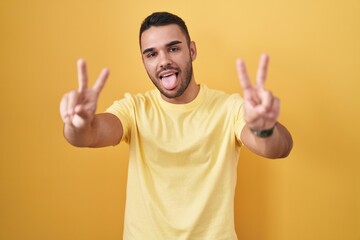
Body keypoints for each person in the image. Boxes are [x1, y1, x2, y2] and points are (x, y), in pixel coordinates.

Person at [60, 12, 293, 240]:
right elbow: (89, 135)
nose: (163, 61)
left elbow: (278, 148)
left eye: (173, 48)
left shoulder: (229, 108)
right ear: (144, 61)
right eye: (151, 54)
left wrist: (264, 129)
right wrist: (78, 124)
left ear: (191, 50)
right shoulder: (134, 108)